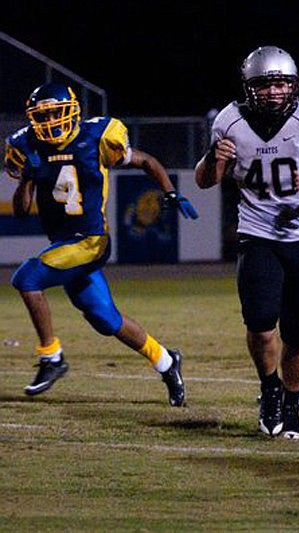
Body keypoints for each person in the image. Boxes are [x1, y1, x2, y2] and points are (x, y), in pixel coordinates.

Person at [4, 82, 195, 406]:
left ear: (72, 111)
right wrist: (27, 178)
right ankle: (166, 361)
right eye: (43, 115)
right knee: (106, 319)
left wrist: (170, 191)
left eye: (55, 113)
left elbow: (146, 160)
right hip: (64, 246)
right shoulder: (27, 145)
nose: (49, 121)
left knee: (27, 278)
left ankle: (51, 357)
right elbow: (21, 212)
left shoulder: (98, 137)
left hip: (91, 242)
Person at [194, 45, 299, 440]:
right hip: (257, 234)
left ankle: (293, 400)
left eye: (281, 84)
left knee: (297, 333)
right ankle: (270, 389)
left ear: (294, 86)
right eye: (265, 85)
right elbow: (206, 180)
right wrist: (213, 156)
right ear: (249, 88)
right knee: (262, 326)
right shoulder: (229, 121)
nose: (275, 92)